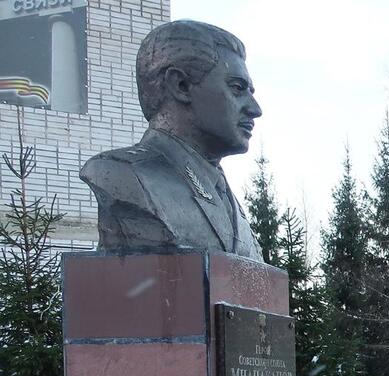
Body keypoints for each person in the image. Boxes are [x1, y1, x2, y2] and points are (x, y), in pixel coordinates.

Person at [80, 21, 263, 258]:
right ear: (181, 86)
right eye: (237, 88)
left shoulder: (227, 197)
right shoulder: (122, 174)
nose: (255, 109)